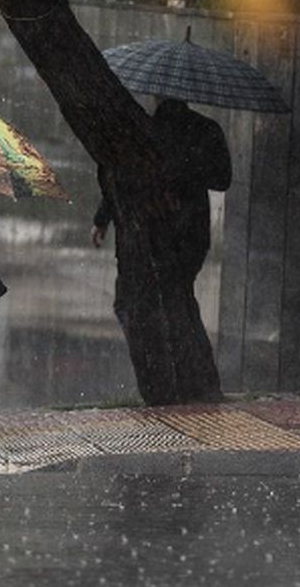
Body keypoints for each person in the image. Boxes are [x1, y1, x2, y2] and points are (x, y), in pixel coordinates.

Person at [90, 97, 231, 401]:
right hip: (186, 234)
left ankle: (171, 385)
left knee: (147, 304)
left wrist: (103, 220)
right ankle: (190, 383)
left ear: (158, 96)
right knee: (174, 301)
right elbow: (223, 178)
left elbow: (126, 177)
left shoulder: (150, 130)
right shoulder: (204, 130)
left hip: (163, 233)